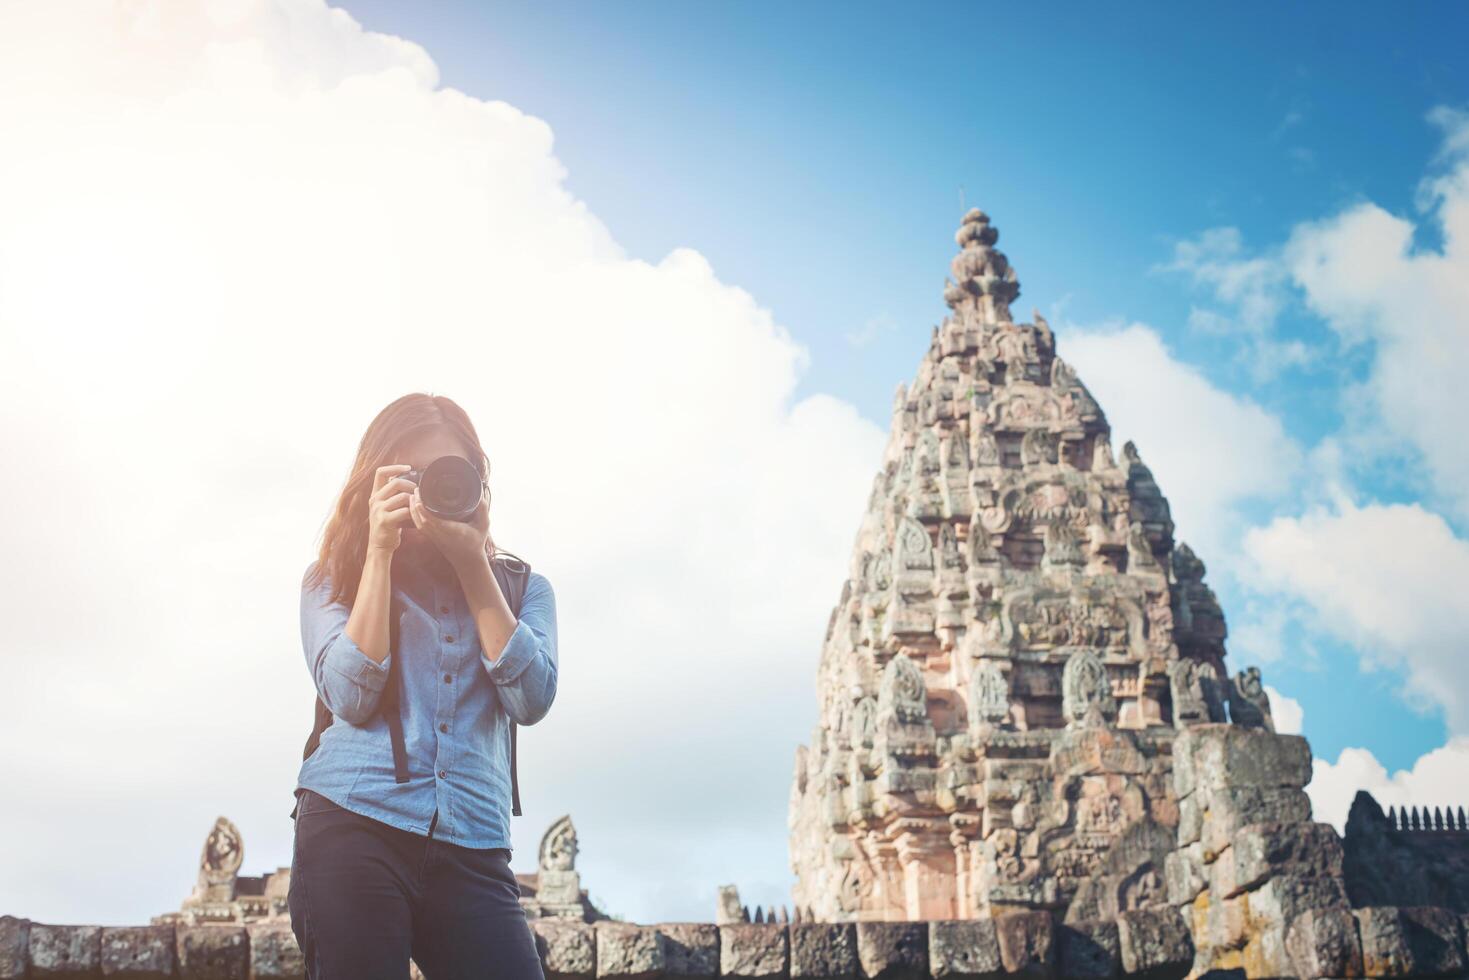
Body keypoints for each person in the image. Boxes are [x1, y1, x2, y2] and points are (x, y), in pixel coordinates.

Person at [287, 392, 557, 980]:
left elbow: (531, 699)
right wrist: (379, 554)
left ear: (477, 485)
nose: (431, 491)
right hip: (352, 825)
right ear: (377, 481)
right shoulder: (331, 581)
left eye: (447, 474)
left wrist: (472, 567)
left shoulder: (523, 589)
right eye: (413, 475)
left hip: (475, 842)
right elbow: (350, 697)